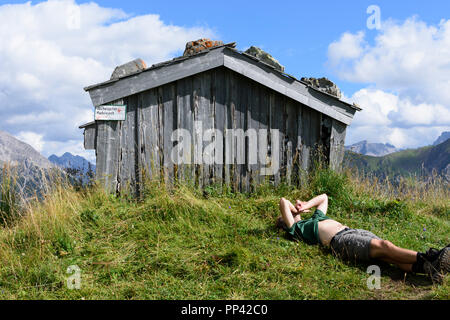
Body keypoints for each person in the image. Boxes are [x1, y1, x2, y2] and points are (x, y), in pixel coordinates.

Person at [277, 194, 449, 284]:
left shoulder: (315, 218)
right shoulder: (296, 230)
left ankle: (429, 269)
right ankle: (432, 256)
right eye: (290, 215)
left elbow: (324, 197)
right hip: (341, 241)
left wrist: (305, 205)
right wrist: (296, 212)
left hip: (352, 231)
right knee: (385, 246)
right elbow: (284, 201)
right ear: (287, 222)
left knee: (388, 256)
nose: (294, 211)